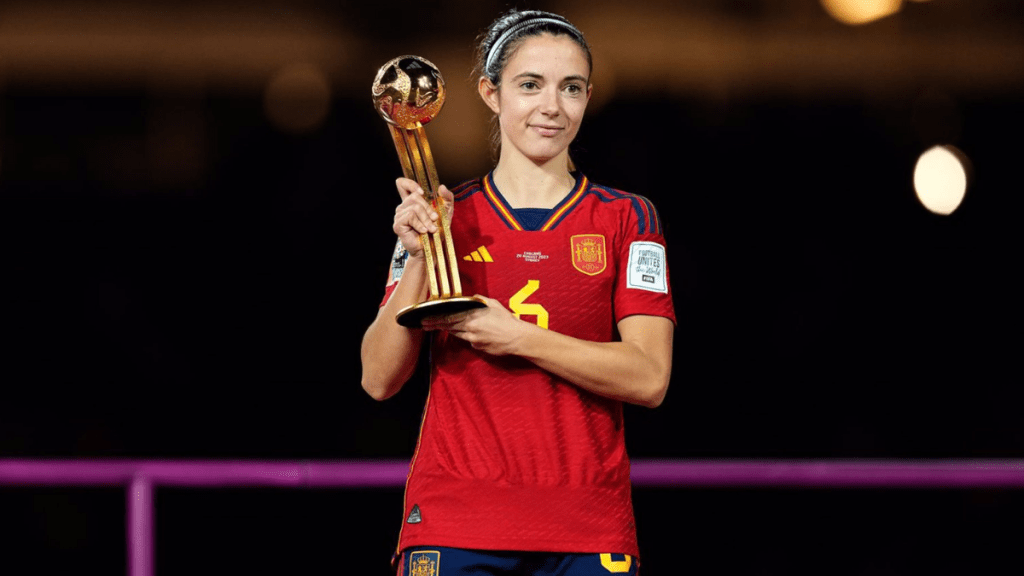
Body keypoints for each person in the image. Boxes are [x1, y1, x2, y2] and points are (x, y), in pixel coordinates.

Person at [361, 9, 675, 576]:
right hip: (455, 524)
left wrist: (518, 337)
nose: (551, 106)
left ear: (588, 98)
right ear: (490, 92)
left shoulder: (629, 218)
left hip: (587, 526)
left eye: (571, 88)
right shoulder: (444, 215)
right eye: (530, 85)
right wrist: (419, 256)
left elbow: (650, 377)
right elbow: (378, 378)